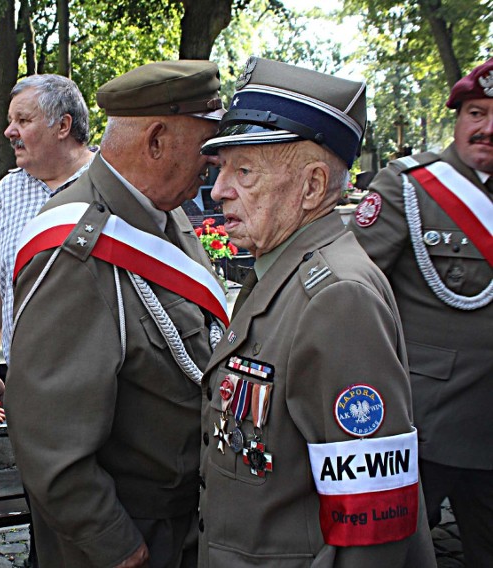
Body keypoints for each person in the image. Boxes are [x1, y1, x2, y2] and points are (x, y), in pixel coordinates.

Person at [197, 57, 435, 567]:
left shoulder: (337, 298)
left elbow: (374, 521)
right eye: (221, 170)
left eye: (244, 172)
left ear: (310, 187)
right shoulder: (281, 272)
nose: (218, 191)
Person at [5, 60, 229, 568]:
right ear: (155, 141)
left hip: (181, 516)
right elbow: (46, 435)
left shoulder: (164, 213)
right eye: (205, 145)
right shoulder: (75, 247)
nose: (212, 164)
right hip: (134, 531)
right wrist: (114, 542)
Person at [349, 58, 493, 566]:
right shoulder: (412, 188)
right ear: (458, 117)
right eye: (477, 112)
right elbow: (352, 288)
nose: (488, 128)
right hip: (426, 422)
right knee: (397, 552)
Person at [0, 74, 96, 421]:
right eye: (11, 121)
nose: (9, 131)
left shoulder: (112, 187)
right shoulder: (6, 193)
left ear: (63, 125)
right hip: (28, 388)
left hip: (102, 390)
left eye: (22, 121)